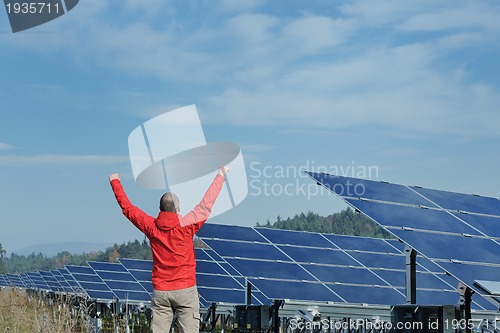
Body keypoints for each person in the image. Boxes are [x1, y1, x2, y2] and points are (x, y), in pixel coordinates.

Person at [108, 166, 228, 333]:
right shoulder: (187, 225)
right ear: (178, 209)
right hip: (186, 289)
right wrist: (220, 175)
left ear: (160, 208)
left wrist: (115, 182)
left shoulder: (151, 226)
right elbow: (206, 204)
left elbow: (128, 209)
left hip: (161, 290)